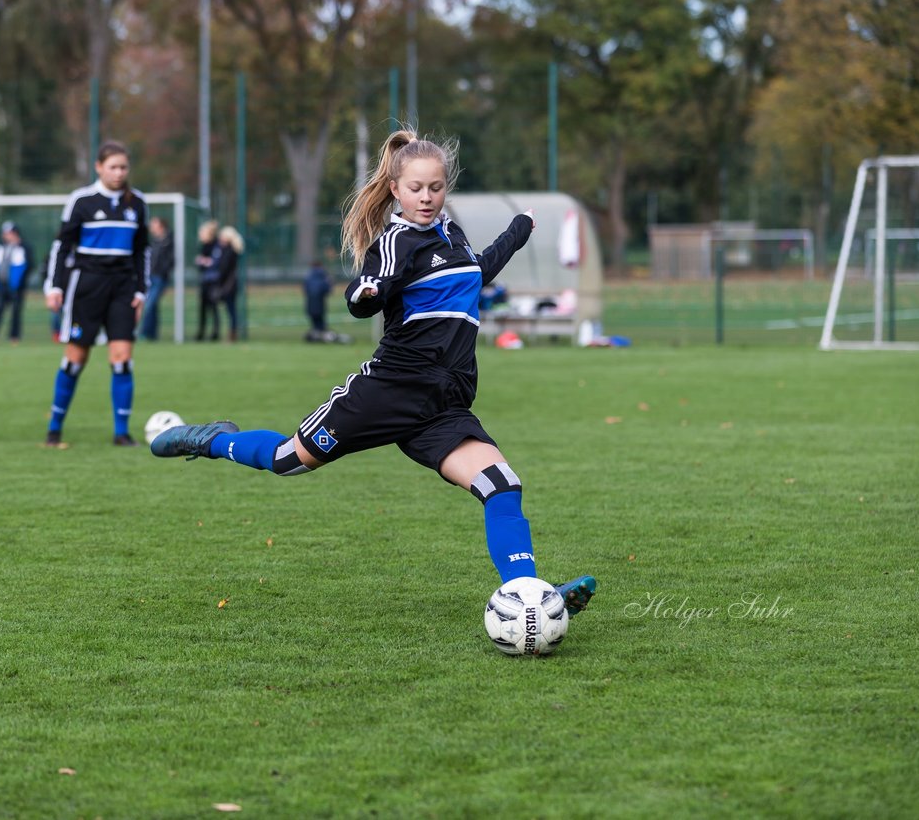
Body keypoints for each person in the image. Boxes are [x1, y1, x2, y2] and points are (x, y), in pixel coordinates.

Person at [152, 128, 596, 616]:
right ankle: (212, 439)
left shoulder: (452, 233)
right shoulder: (396, 242)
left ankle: (528, 596)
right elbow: (365, 291)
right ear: (395, 190)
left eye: (435, 187)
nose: (426, 197)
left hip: (443, 407)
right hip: (388, 391)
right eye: (415, 189)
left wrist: (516, 234)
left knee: (502, 484)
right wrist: (367, 295)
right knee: (286, 460)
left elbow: (473, 275)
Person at [43, 140, 150, 447]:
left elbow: (143, 251)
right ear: (99, 167)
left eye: (123, 167)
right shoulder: (82, 200)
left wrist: (141, 291)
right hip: (86, 285)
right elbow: (61, 246)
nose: (118, 173)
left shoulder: (137, 203)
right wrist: (55, 286)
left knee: (122, 359)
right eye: (113, 167)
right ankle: (54, 428)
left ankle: (121, 432)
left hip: (122, 287)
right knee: (76, 358)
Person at [0, 221, 34, 343]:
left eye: (9, 233)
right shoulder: (0, 247)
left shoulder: (24, 247)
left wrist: (20, 282)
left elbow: (29, 265)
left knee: (16, 311)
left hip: (17, 287)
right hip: (2, 286)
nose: (6, 236)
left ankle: (14, 336)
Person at [138, 215, 174, 341]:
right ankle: (152, 334)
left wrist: (163, 271)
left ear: (161, 226)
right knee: (153, 307)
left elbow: (170, 260)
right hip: (150, 277)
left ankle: (143, 333)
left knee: (149, 305)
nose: (151, 227)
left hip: (160, 278)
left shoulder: (168, 240)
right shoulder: (153, 241)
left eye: (154, 224)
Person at [194, 220, 222, 341]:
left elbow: (214, 263)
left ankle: (215, 333)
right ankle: (201, 333)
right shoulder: (204, 247)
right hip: (205, 281)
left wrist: (204, 261)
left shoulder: (216, 246)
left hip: (213, 282)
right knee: (202, 308)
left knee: (213, 308)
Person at [216, 224, 244, 341]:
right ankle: (231, 333)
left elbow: (224, 268)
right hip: (230, 284)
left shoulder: (229, 251)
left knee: (231, 309)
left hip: (228, 285)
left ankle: (232, 334)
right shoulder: (230, 250)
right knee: (231, 309)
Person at [303, 257, 332, 341]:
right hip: (320, 304)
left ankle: (315, 337)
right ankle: (321, 338)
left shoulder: (308, 277)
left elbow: (306, 290)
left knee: (315, 323)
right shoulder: (323, 277)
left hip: (310, 304)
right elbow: (327, 290)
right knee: (321, 324)